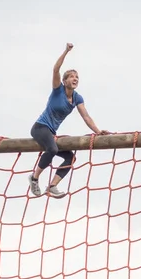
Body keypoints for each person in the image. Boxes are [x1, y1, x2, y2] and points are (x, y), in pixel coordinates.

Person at [28, 43, 109, 198]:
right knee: (52, 149)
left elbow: (86, 116)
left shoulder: (77, 98)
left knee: (70, 157)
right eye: (71, 76)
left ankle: (52, 186)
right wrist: (66, 51)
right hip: (40, 128)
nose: (75, 79)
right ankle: (34, 178)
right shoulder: (57, 89)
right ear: (64, 81)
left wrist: (98, 132)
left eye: (77, 77)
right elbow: (55, 69)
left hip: (51, 133)